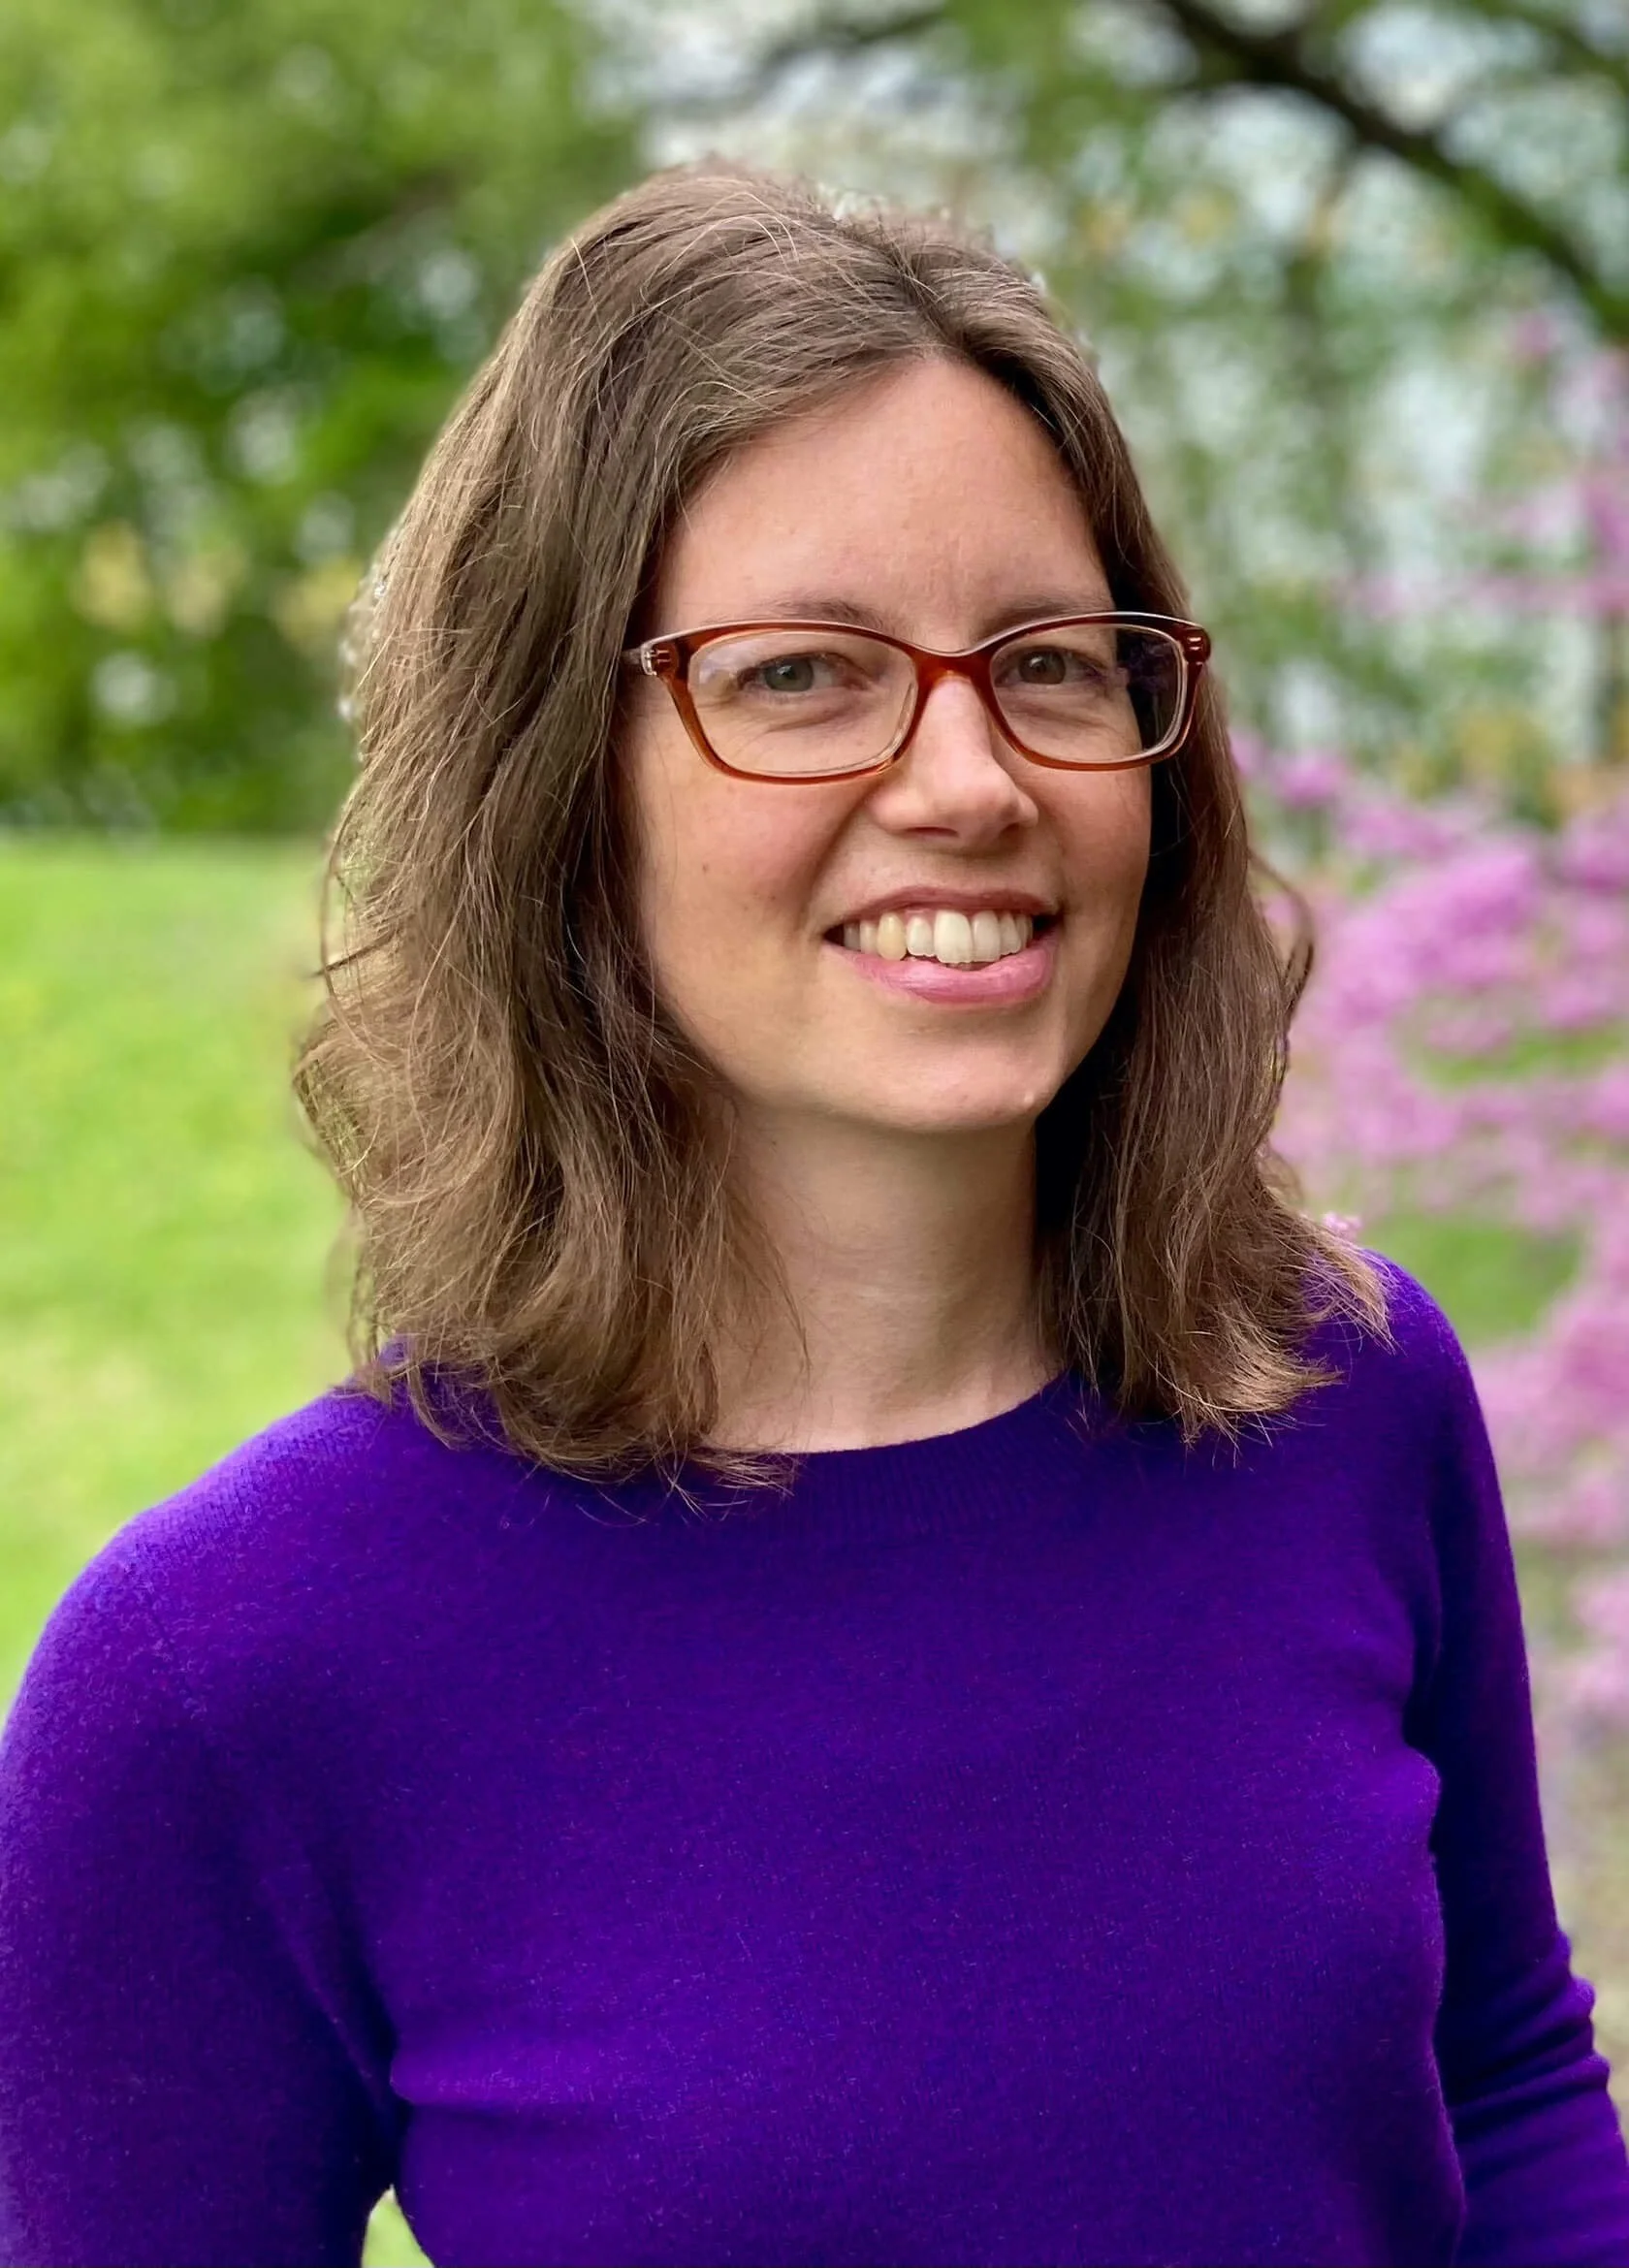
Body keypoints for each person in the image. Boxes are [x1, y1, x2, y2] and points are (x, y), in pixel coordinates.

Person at [1, 164, 1625, 2268]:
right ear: (553, 778)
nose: (970, 777)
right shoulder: (221, 1675)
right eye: (800, 675)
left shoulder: (1347, 1392)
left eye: (1049, 660)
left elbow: (1502, 2089)